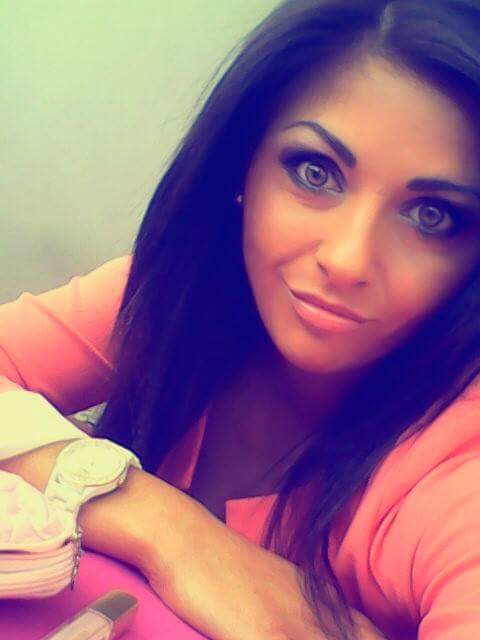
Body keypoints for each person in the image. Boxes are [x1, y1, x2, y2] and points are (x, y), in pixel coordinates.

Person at [1, 0, 480, 638]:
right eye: (316, 172)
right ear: (242, 167)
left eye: (432, 216)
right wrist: (170, 529)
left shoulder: (454, 467)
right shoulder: (183, 292)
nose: (346, 260)